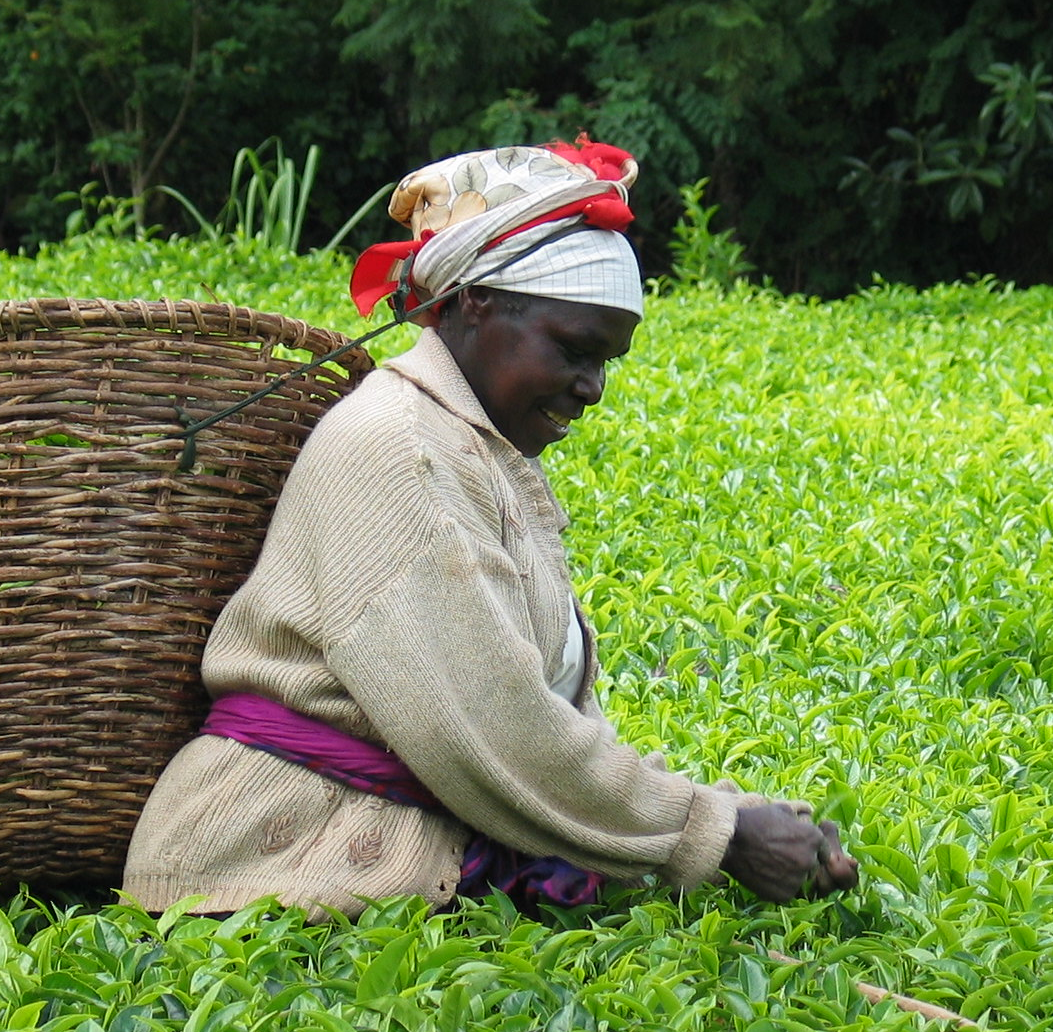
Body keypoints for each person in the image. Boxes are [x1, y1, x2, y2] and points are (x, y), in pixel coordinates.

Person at [122, 139, 858, 920]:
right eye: (575, 349)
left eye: (609, 360)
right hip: (269, 861)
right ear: (476, 303)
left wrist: (717, 813)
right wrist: (718, 831)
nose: (593, 387)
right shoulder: (397, 448)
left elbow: (545, 718)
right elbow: (495, 730)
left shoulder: (478, 447)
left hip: (386, 826)